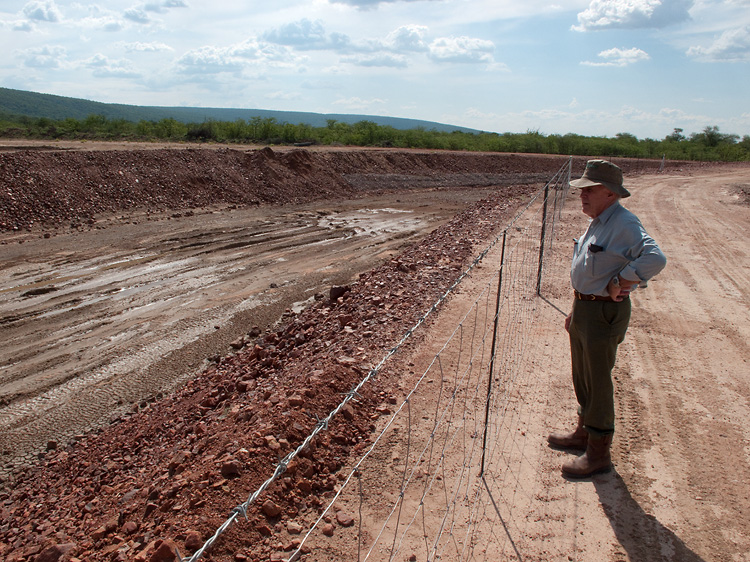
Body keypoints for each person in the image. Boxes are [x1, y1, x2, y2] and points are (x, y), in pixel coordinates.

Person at [548, 159, 667, 478]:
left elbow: (655, 258)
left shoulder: (625, 224)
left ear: (611, 194)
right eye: (582, 189)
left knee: (598, 380)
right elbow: (590, 268)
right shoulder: (600, 219)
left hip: (603, 312)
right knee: (583, 375)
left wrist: (625, 279)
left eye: (590, 189)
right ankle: (584, 432)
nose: (582, 195)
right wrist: (576, 308)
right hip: (586, 308)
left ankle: (599, 452)